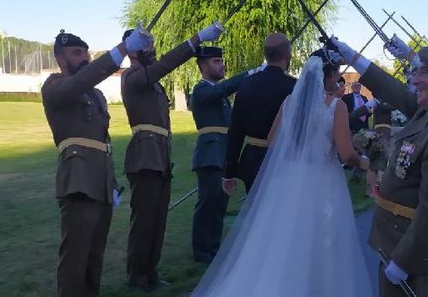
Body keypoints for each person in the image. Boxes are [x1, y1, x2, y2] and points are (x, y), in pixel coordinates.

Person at [191, 53, 372, 296]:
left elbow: (272, 140)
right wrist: (363, 162)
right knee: (322, 240)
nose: (339, 78)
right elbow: (346, 152)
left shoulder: (290, 103)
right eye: (337, 73)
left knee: (286, 238)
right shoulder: (336, 107)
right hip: (322, 180)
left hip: (290, 178)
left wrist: (298, 148)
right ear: (328, 76)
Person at [333, 37, 428, 297]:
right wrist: (352, 56)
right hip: (396, 239)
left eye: (424, 72)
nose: (415, 78)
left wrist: (403, 261)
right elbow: (395, 91)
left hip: (411, 254)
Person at [42, 28, 150, 297]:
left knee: (95, 254)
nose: (85, 58)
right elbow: (78, 83)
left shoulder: (96, 96)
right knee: (75, 256)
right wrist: (121, 50)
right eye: (77, 54)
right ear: (61, 59)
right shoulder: (55, 85)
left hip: (100, 181)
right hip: (77, 180)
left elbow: (103, 143)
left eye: (87, 53)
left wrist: (110, 183)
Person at [120, 23, 224, 289]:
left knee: (157, 221)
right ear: (132, 51)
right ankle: (137, 275)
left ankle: (150, 272)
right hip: (144, 156)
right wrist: (196, 40)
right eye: (146, 45)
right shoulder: (132, 77)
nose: (153, 49)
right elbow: (165, 65)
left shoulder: (151, 83)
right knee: (144, 221)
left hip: (159, 156)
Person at [190, 46, 264, 264]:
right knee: (208, 204)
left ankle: (213, 248)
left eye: (221, 60)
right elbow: (221, 90)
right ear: (203, 66)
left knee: (219, 205)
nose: (222, 65)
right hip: (210, 154)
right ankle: (202, 252)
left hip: (222, 153)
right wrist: (249, 74)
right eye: (216, 61)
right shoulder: (201, 90)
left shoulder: (220, 96)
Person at [224, 33, 297, 193]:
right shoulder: (294, 86)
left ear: (265, 55)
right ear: (287, 54)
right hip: (284, 160)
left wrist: (229, 170)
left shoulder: (247, 84)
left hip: (253, 159)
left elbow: (236, 130)